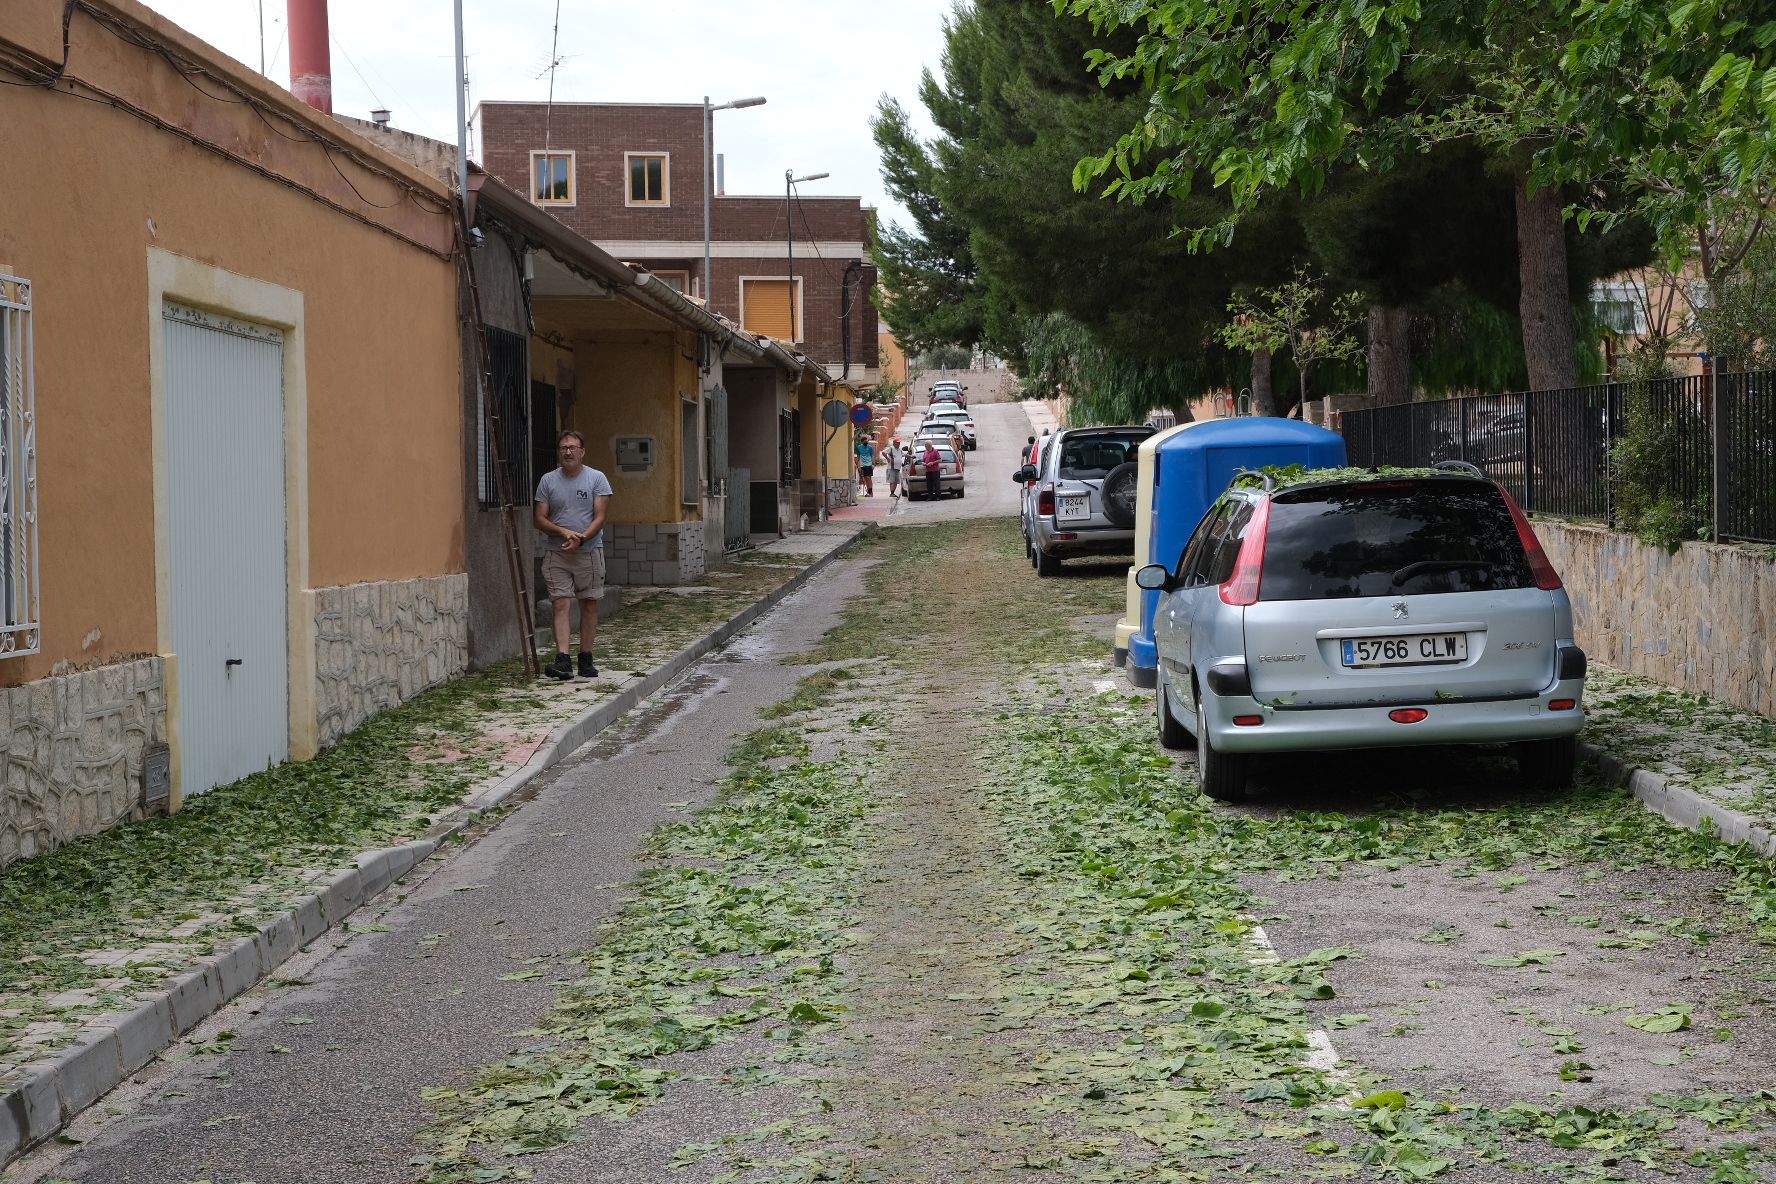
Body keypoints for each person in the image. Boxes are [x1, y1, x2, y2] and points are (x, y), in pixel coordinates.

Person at [533, 430, 613, 680]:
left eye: (573, 447)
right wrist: (565, 533)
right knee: (560, 603)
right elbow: (539, 518)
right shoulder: (548, 480)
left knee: (589, 603)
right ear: (558, 453)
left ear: (582, 451)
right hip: (557, 553)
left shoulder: (596, 478)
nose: (568, 452)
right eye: (563, 448)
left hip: (588, 552)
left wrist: (581, 539)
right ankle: (563, 659)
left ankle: (586, 657)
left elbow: (600, 516)